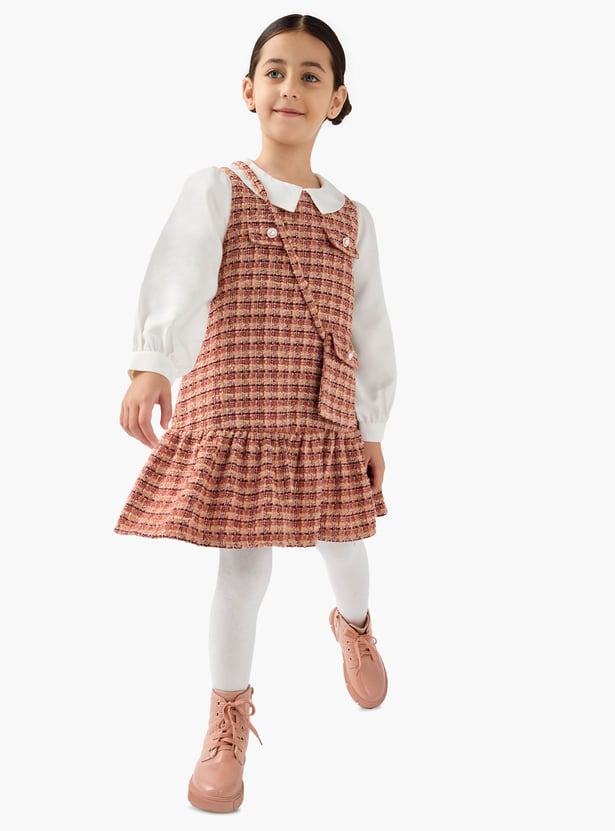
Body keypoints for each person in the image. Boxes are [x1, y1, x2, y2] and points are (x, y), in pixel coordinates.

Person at [114, 13, 396, 814]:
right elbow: (179, 276)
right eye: (274, 71)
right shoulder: (217, 188)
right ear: (247, 89)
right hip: (237, 401)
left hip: (322, 414)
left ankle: (354, 624)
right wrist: (152, 363)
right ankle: (226, 718)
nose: (289, 88)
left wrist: (372, 424)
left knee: (344, 540)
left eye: (310, 75)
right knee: (242, 568)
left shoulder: (353, 217)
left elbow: (369, 325)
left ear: (336, 98)